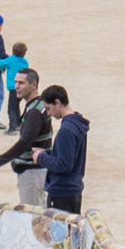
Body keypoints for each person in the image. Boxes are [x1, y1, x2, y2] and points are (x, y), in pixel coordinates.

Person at [0, 69, 52, 205]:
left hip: (32, 174)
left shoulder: (34, 111)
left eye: (21, 83)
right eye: (15, 82)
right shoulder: (38, 105)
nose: (16, 86)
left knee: (34, 219)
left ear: (33, 85)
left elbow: (25, 143)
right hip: (35, 172)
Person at [38, 84, 89, 214]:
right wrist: (47, 153)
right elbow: (69, 154)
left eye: (48, 108)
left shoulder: (66, 129)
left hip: (62, 192)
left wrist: (41, 157)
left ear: (57, 103)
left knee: (61, 233)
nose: (48, 113)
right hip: (73, 189)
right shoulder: (77, 124)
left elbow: (64, 164)